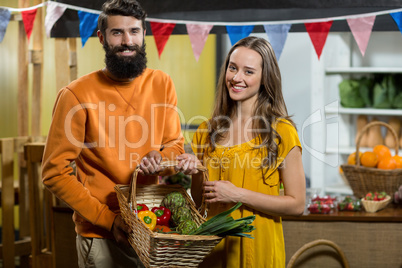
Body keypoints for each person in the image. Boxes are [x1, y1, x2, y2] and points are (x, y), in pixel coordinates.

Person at [41, 0, 184, 267]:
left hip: (151, 228)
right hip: (101, 235)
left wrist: (161, 157)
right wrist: (109, 219)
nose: (127, 41)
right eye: (117, 32)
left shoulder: (162, 83)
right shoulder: (76, 94)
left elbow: (175, 145)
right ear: (101, 38)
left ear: (144, 34)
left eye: (134, 31)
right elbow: (54, 172)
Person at [176, 36, 306, 268]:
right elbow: (199, 202)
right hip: (213, 251)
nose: (236, 78)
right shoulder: (206, 131)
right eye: (233, 68)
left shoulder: (281, 132)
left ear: (265, 79)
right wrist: (195, 170)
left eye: (248, 72)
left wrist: (238, 195)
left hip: (258, 250)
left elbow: (296, 204)